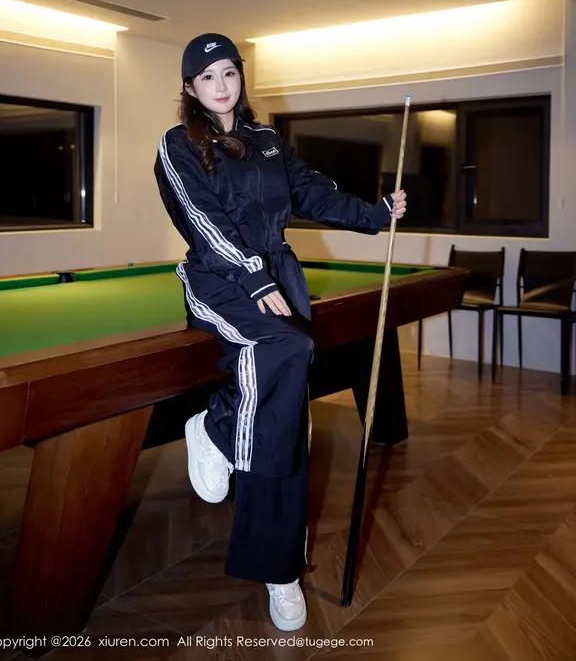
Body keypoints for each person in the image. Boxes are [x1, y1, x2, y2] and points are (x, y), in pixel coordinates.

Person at [154, 33, 407, 631]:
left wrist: (375, 215)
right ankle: (217, 427)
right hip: (220, 278)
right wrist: (251, 275)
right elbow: (200, 218)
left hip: (279, 276)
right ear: (190, 87)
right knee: (288, 346)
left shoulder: (266, 141)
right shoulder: (177, 144)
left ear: (241, 77)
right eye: (207, 76)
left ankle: (280, 567)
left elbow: (312, 191)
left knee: (287, 425)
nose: (221, 84)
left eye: (229, 72)